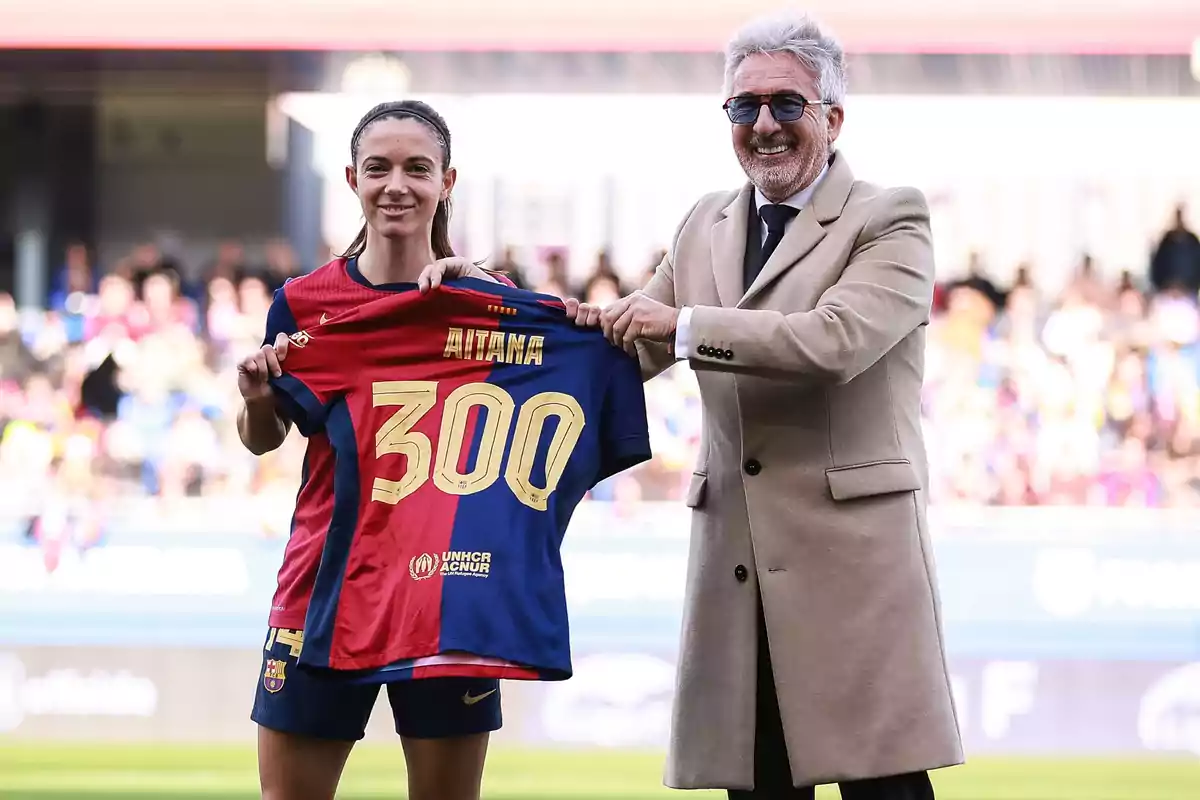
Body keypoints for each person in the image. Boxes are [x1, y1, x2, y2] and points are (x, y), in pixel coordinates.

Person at [567, 11, 963, 799]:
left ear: (833, 117)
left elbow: (835, 342)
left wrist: (680, 326)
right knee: (759, 786)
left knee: (885, 786)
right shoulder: (702, 222)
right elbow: (628, 346)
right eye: (744, 108)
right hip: (739, 567)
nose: (765, 125)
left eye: (788, 104)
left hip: (854, 567)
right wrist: (492, 314)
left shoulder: (891, 216)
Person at [235, 100, 508, 800]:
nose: (397, 185)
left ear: (447, 182)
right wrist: (257, 398)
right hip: (323, 590)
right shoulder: (301, 303)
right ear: (352, 178)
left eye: (418, 169)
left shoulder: (492, 306)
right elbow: (265, 438)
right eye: (379, 167)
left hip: (446, 589)